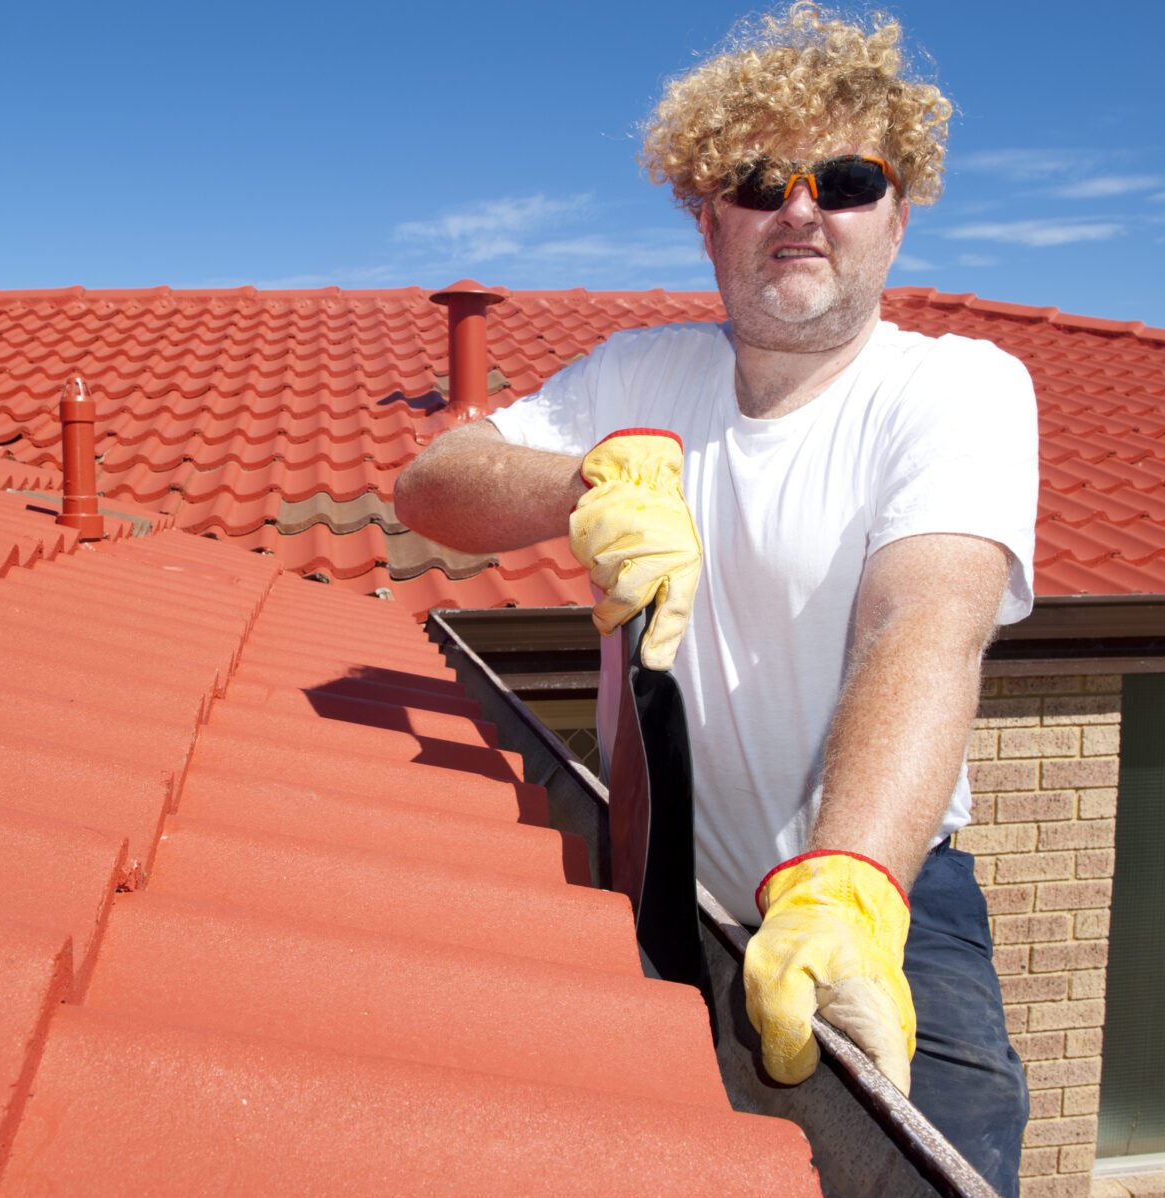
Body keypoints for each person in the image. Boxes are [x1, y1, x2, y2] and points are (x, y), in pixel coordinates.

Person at [393, 3, 1037, 1193]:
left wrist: (849, 884)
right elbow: (432, 486)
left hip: (879, 897)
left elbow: (924, 621)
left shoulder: (956, 391)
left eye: (845, 177)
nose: (799, 207)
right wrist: (584, 478)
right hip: (662, 884)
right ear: (707, 219)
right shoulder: (642, 374)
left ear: (898, 217)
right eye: (756, 179)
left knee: (939, 1161)